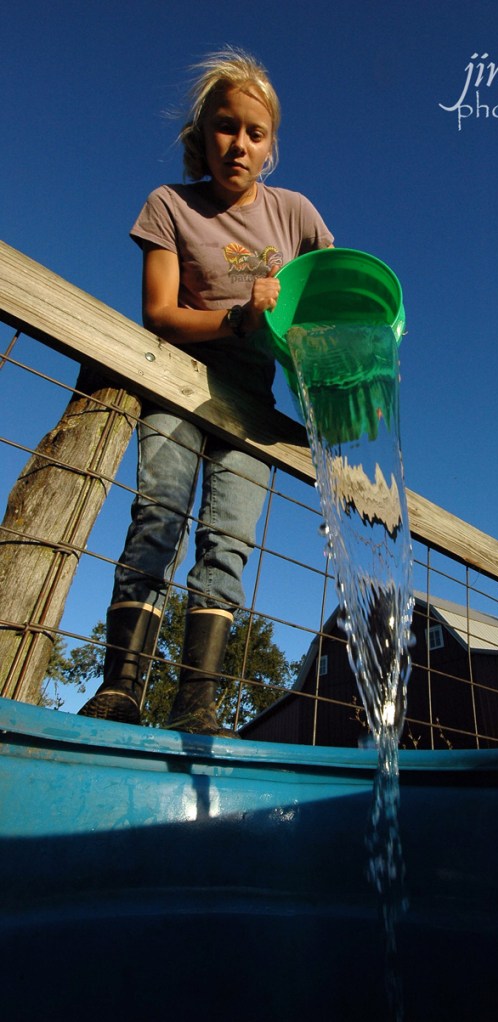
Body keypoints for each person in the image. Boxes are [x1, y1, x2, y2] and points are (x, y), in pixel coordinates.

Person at [79, 47, 333, 735]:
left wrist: (338, 381)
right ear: (202, 134)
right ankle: (120, 687)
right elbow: (159, 312)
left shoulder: (296, 216)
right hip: (180, 383)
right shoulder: (170, 206)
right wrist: (236, 317)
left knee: (228, 540)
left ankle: (198, 700)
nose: (239, 144)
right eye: (226, 126)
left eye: (255, 133)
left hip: (252, 405)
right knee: (158, 513)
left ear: (271, 144)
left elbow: (327, 302)